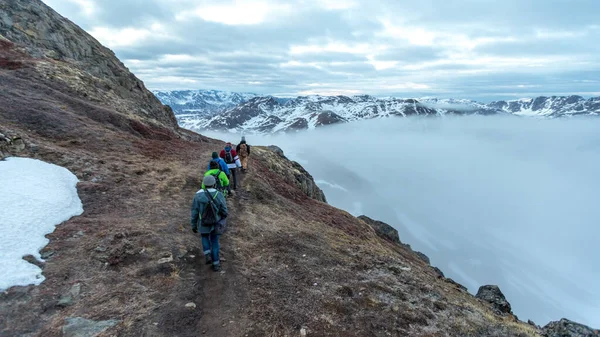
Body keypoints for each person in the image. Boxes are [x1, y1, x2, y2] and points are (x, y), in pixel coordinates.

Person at [191, 175, 228, 272]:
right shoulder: (219, 194)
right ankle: (216, 264)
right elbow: (224, 210)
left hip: (203, 222)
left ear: (204, 184)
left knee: (204, 237)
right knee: (215, 242)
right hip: (215, 222)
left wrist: (193, 225)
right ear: (214, 184)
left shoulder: (198, 195)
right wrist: (223, 217)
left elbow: (194, 212)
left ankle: (207, 254)